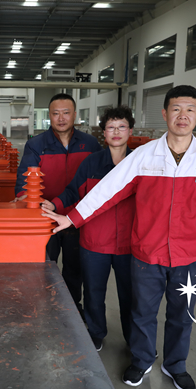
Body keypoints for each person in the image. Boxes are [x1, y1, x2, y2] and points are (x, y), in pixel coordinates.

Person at [42, 85, 196, 389]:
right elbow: (106, 190)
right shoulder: (144, 156)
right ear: (164, 114)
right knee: (142, 312)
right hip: (147, 253)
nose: (182, 116)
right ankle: (142, 360)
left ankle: (175, 365)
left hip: (189, 255)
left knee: (182, 315)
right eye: (176, 109)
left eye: (189, 110)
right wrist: (71, 219)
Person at [41, 106, 136, 352]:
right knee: (94, 292)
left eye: (122, 127)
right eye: (111, 127)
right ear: (104, 132)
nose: (116, 132)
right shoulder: (91, 163)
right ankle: (96, 333)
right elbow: (73, 191)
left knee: (131, 295)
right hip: (95, 241)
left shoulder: (140, 163)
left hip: (130, 243)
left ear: (130, 131)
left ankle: (134, 339)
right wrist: (55, 204)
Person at [15, 93, 101, 316]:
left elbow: (100, 181)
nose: (61, 118)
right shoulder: (36, 145)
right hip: (46, 220)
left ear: (75, 115)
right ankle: (44, 311)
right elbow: (23, 183)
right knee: (44, 267)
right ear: (49, 116)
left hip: (77, 219)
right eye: (55, 113)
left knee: (75, 270)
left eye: (66, 113)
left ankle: (72, 312)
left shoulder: (90, 144)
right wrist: (26, 199)